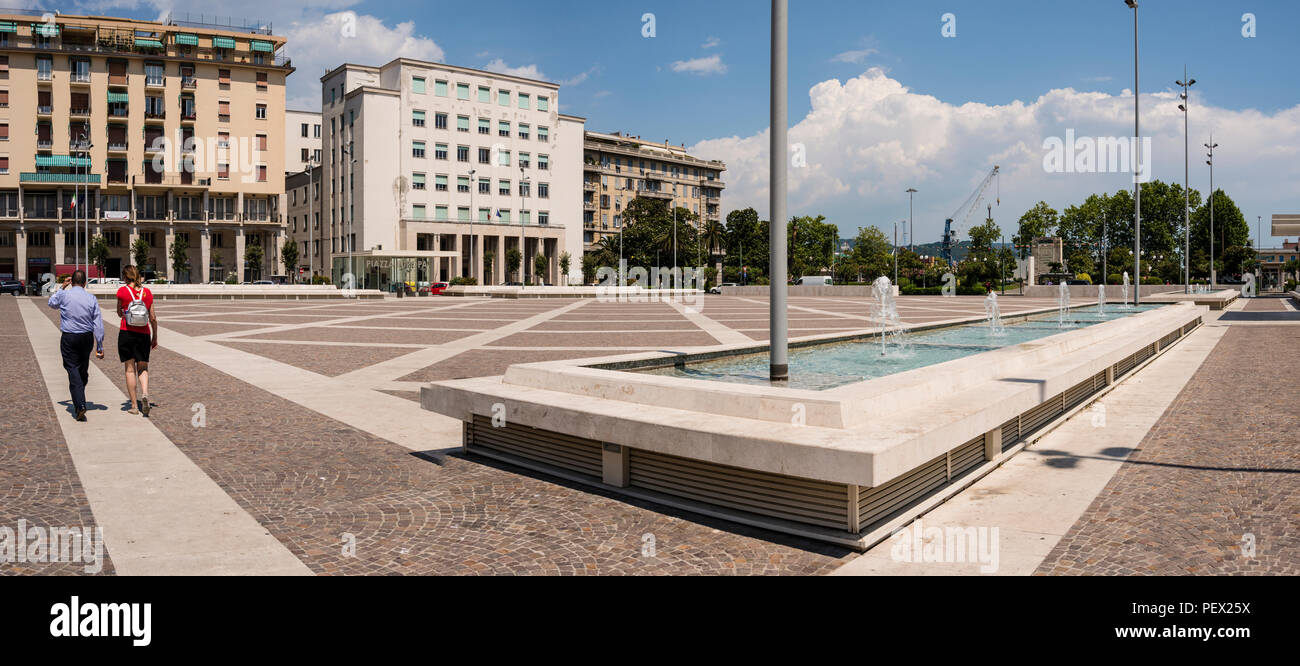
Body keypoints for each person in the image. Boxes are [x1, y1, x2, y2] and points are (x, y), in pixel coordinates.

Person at [46, 271, 105, 422]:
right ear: (85, 283)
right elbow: (98, 323)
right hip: (86, 337)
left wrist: (62, 288)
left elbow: (51, 303)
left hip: (69, 337)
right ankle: (80, 397)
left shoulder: (65, 295)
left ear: (71, 282)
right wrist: (100, 344)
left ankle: (79, 405)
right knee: (82, 369)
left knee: (73, 369)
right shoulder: (91, 298)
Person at [116, 266, 158, 417]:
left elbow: (119, 312)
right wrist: (155, 336)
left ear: (125, 277)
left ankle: (134, 405)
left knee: (129, 369)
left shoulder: (122, 291)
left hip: (127, 333)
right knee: (143, 367)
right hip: (143, 334)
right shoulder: (147, 292)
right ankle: (145, 393)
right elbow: (152, 317)